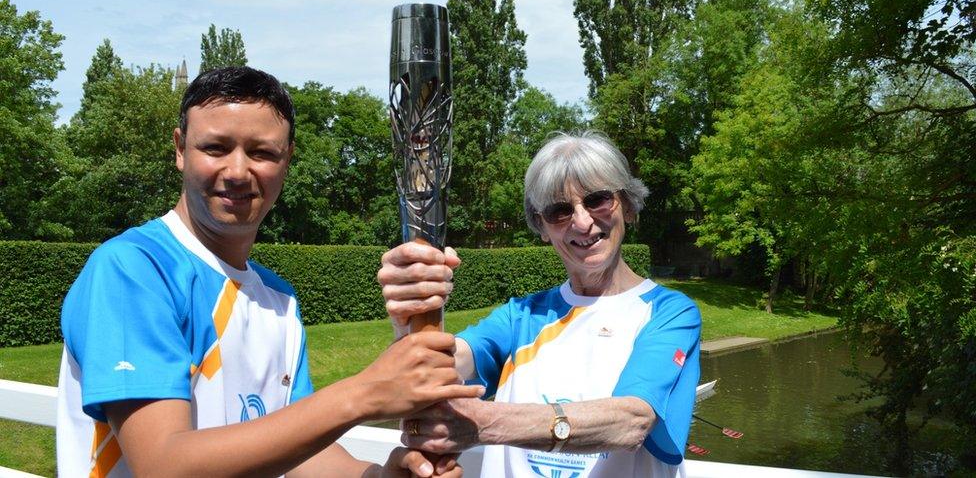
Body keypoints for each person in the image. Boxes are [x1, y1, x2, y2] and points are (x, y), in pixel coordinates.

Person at [57, 66, 483, 477]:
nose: (239, 171)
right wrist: (366, 393)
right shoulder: (135, 269)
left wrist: (375, 476)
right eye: (215, 148)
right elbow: (163, 464)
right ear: (180, 150)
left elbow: (294, 451)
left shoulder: (278, 299)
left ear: (287, 160)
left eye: (262, 152)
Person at [378, 131, 702, 477]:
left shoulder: (670, 313)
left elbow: (631, 421)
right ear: (542, 227)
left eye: (597, 200)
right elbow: (435, 370)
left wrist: (484, 424)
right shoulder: (521, 317)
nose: (582, 221)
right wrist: (408, 320)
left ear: (629, 207)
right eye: (559, 211)